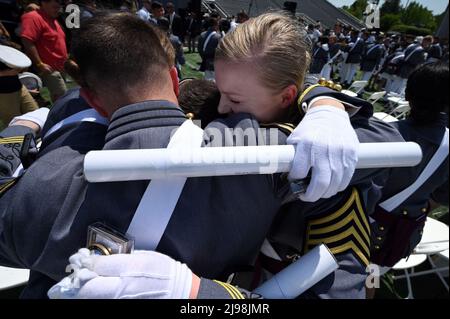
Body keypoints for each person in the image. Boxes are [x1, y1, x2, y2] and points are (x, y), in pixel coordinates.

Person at [39, 13, 403, 299]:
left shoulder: (330, 177)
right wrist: (322, 98)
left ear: (287, 97)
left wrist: (197, 294)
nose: (224, 107)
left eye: (238, 100)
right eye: (221, 89)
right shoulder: (222, 112)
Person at [370, 62, 449, 269]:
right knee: (371, 278)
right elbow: (441, 197)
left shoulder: (380, 134)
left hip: (356, 229)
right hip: (400, 234)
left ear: (407, 94)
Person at [20, 0, 68, 102]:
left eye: (60, 5)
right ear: (44, 2)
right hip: (49, 68)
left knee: (61, 98)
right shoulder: (33, 17)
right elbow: (27, 40)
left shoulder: (52, 19)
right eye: (55, 5)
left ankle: (57, 116)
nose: (58, 8)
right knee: (62, 98)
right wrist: (39, 63)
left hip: (61, 66)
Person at [0, 44, 39, 125]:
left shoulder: (5, 48)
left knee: (36, 115)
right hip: (4, 95)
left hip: (20, 88)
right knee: (15, 123)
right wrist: (6, 73)